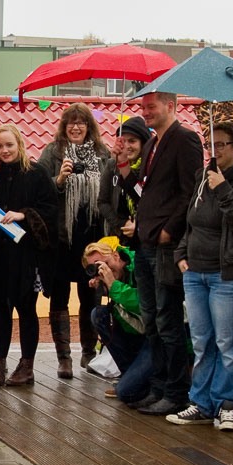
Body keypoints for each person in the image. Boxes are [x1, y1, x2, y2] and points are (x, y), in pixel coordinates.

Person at [118, 92, 203, 416]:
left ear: (172, 106)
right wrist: (124, 167)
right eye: (143, 107)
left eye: (151, 107)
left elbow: (190, 191)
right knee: (151, 320)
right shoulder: (152, 143)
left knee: (168, 321)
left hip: (165, 246)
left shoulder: (186, 140)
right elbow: (144, 192)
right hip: (145, 243)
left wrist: (170, 229)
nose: (146, 113)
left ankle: (176, 391)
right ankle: (158, 386)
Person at [169, 122, 233, 430]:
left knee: (228, 343)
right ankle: (201, 402)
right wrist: (181, 254)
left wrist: (223, 188)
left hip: (228, 275)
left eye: (221, 145)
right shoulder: (201, 177)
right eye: (212, 145)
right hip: (195, 272)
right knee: (202, 341)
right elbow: (191, 220)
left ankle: (229, 405)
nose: (215, 151)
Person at [0, 124, 57, 387]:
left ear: (19, 144)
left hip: (25, 255)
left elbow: (50, 212)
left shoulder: (37, 174)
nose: (4, 150)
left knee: (26, 309)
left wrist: (24, 214)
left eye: (9, 145)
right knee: (0, 310)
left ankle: (27, 366)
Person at [38, 103, 109, 378]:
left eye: (81, 123)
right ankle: (63, 358)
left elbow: (110, 190)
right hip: (60, 237)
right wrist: (59, 179)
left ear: (89, 126)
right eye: (71, 123)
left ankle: (89, 353)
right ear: (64, 126)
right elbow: (41, 192)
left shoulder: (103, 154)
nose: (76, 127)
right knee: (59, 298)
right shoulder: (53, 152)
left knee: (90, 295)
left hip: (91, 237)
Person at [83, 240, 152, 404]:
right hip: (138, 337)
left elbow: (145, 305)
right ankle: (131, 374)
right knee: (98, 314)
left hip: (156, 338)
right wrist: (106, 290)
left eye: (105, 263)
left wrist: (114, 285)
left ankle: (145, 381)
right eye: (97, 268)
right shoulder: (111, 279)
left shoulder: (138, 264)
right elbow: (122, 322)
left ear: (115, 255)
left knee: (126, 393)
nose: (104, 269)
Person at [99, 117, 150, 249]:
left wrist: (138, 225)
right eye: (123, 141)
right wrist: (122, 224)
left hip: (145, 239)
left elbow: (146, 200)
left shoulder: (150, 168)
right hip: (118, 238)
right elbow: (103, 202)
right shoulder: (112, 165)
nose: (127, 146)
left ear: (143, 144)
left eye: (132, 141)